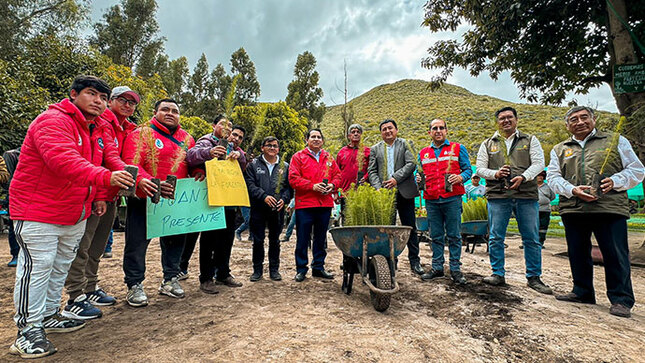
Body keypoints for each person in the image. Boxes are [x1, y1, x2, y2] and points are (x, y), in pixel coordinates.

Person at [9, 75, 134, 358]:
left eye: (103, 98)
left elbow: (112, 158)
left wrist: (117, 181)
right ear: (74, 94)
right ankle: (26, 330)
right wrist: (107, 178)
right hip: (38, 210)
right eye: (92, 94)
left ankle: (51, 314)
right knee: (37, 267)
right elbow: (63, 160)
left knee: (60, 265)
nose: (98, 102)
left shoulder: (97, 128)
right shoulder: (52, 121)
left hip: (75, 210)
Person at [547, 106, 645, 318]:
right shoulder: (560, 149)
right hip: (574, 207)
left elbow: (637, 170)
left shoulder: (615, 140)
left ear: (593, 119)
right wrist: (573, 190)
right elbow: (553, 177)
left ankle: (621, 299)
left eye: (584, 117)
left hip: (608, 207)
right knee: (577, 252)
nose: (580, 122)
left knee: (615, 253)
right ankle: (582, 292)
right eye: (574, 119)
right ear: (567, 126)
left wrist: (616, 181)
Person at [62, 86, 140, 320]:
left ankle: (90, 288)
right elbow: (103, 158)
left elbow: (122, 158)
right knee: (82, 246)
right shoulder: (102, 122)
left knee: (97, 246)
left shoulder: (128, 128)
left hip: (111, 192)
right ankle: (75, 296)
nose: (128, 105)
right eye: (122, 100)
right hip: (95, 191)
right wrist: (98, 194)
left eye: (132, 102)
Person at [121, 98, 198, 307]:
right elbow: (131, 164)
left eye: (175, 110)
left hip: (175, 201)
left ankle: (170, 279)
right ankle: (134, 283)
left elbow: (192, 165)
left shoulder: (188, 139)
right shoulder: (140, 134)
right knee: (137, 243)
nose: (170, 113)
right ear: (155, 112)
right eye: (165, 109)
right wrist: (151, 183)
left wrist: (199, 173)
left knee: (175, 242)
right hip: (144, 198)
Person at [475, 106, 552, 294]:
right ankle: (497, 274)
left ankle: (534, 277)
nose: (506, 121)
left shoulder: (530, 140)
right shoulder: (488, 143)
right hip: (498, 196)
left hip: (525, 195)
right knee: (495, 236)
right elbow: (480, 169)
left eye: (510, 117)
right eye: (502, 118)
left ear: (516, 120)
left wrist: (524, 177)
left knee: (531, 238)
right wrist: (496, 173)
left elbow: (539, 163)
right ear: (497, 122)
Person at [185, 116, 246, 294]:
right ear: (214, 126)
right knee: (209, 239)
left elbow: (243, 164)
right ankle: (206, 278)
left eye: (231, 128)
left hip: (229, 200)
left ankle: (223, 273)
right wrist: (209, 153)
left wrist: (239, 155)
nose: (229, 131)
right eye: (223, 125)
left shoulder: (234, 148)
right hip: (210, 199)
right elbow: (190, 157)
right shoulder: (206, 141)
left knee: (227, 239)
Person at [417, 119, 471, 284]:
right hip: (432, 200)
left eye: (441, 128)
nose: (438, 130)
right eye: (434, 128)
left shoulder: (458, 148)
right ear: (430, 132)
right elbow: (418, 174)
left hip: (452, 199)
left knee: (454, 235)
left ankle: (455, 269)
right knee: (436, 235)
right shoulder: (423, 153)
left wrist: (461, 177)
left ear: (446, 131)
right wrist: (417, 178)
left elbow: (468, 169)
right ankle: (437, 268)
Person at [367, 119, 423, 275]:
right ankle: (390, 262)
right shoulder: (375, 149)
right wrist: (378, 188)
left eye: (390, 128)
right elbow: (372, 171)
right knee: (386, 229)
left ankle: (415, 261)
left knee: (410, 226)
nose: (387, 131)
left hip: (404, 191)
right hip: (385, 194)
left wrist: (395, 179)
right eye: (384, 129)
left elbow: (411, 163)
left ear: (396, 130)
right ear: (381, 133)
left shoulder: (406, 143)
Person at [289, 129, 341, 282]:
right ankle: (301, 269)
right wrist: (312, 186)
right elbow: (293, 179)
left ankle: (318, 267)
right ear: (307, 140)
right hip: (304, 205)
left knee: (320, 238)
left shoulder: (329, 157)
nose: (316, 139)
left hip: (324, 204)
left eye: (319, 137)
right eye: (313, 137)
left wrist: (333, 185)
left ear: (322, 141)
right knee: (302, 239)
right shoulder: (298, 157)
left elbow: (338, 175)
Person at [244, 137, 292, 281]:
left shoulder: (285, 166)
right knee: (258, 240)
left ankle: (274, 270)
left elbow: (289, 188)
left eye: (275, 146)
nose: (272, 148)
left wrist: (284, 200)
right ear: (262, 148)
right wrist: (263, 196)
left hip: (277, 210)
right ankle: (257, 270)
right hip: (258, 208)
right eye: (269, 145)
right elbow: (250, 185)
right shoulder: (253, 164)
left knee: (275, 240)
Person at [336, 123, 370, 223]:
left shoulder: (367, 151)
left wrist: (366, 177)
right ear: (349, 136)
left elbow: (372, 169)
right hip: (346, 193)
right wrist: (336, 192)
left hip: (362, 192)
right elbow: (337, 173)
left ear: (361, 135)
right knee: (347, 221)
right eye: (353, 132)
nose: (356, 134)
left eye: (358, 132)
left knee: (362, 220)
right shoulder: (342, 152)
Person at [2, 148, 21, 267]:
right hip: (15, 195)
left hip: (35, 195)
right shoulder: (11, 155)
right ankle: (16, 254)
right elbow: (7, 179)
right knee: (14, 225)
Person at [536, 170, 555, 247]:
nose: (540, 177)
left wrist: (545, 201)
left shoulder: (548, 186)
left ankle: (540, 242)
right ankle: (530, 242)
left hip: (545, 210)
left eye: (542, 176)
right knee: (532, 226)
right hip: (533, 210)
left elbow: (552, 196)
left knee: (543, 227)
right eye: (538, 175)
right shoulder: (532, 186)